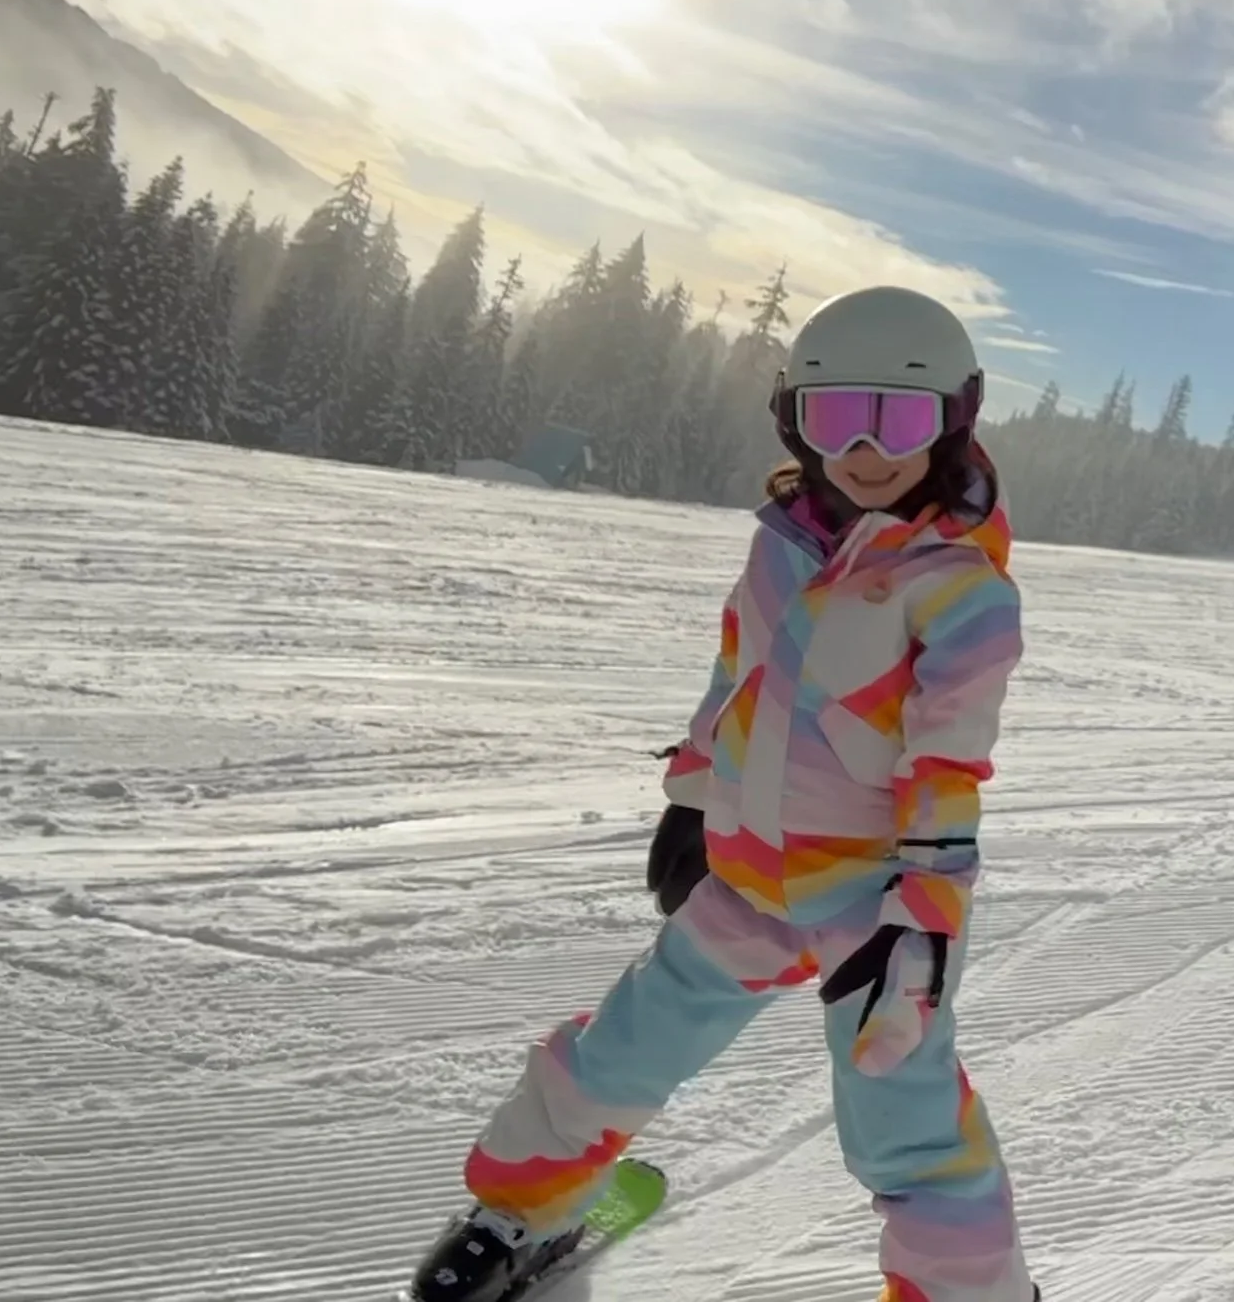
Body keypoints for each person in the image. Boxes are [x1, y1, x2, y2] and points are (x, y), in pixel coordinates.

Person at [406, 285, 1039, 1302]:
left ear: (952, 421)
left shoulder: (961, 589)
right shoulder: (785, 542)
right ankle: (517, 1216)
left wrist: (922, 912)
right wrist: (695, 796)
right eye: (837, 418)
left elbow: (948, 764)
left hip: (872, 903)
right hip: (749, 872)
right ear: (796, 416)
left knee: (902, 1122)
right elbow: (739, 678)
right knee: (616, 1050)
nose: (866, 450)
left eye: (900, 419)